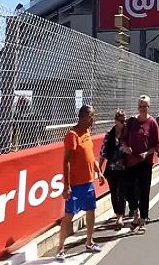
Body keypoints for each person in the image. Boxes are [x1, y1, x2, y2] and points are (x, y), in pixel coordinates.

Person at [54, 105, 104, 262]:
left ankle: (89, 242)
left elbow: (90, 156)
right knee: (69, 216)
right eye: (91, 116)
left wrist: (99, 171)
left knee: (91, 211)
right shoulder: (72, 135)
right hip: (75, 185)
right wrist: (66, 185)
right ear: (84, 117)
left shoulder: (87, 132)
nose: (93, 119)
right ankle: (60, 248)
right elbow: (66, 161)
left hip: (88, 182)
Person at [122, 95, 159, 233]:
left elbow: (157, 145)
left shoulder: (152, 123)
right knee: (127, 189)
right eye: (141, 106)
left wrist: (148, 152)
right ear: (137, 107)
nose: (143, 109)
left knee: (144, 191)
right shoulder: (132, 122)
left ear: (148, 107)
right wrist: (126, 147)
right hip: (131, 161)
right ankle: (135, 212)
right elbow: (124, 139)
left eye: (145, 106)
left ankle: (142, 220)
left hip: (145, 162)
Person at [99, 110, 128, 230]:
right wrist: (99, 167)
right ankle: (117, 213)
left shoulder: (127, 134)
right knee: (114, 192)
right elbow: (103, 152)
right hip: (112, 168)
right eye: (122, 121)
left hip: (124, 167)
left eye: (125, 120)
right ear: (116, 121)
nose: (124, 123)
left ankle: (120, 216)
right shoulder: (109, 135)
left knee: (121, 192)